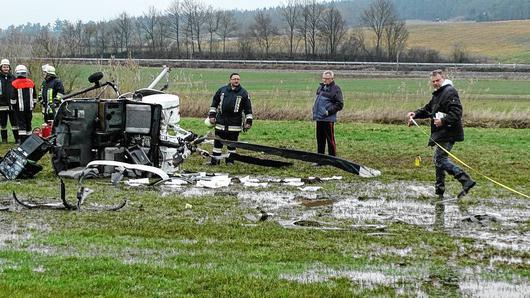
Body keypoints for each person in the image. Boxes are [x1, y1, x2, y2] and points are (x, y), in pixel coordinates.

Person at [407, 69, 476, 199]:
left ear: (443, 78)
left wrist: (443, 121)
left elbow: (457, 112)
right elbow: (428, 109)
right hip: (441, 133)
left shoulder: (450, 92)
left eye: (437, 80)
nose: (435, 83)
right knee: (438, 161)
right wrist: (415, 114)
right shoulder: (438, 94)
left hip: (449, 132)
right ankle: (440, 190)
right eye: (433, 81)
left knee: (439, 159)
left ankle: (466, 180)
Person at [208, 73, 253, 165]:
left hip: (234, 124)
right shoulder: (222, 90)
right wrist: (212, 116)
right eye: (234, 79)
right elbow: (214, 104)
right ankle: (215, 161)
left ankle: (230, 161)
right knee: (217, 144)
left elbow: (248, 109)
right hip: (220, 122)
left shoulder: (243, 93)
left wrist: (248, 122)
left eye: (238, 79)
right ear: (230, 80)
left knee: (232, 145)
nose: (236, 81)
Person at [312, 70, 343, 156]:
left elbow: (339, 104)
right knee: (320, 140)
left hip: (328, 118)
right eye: (324, 78)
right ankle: (320, 159)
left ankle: (332, 158)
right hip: (319, 118)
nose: (325, 80)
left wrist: (328, 112)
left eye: (327, 78)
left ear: (332, 79)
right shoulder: (320, 88)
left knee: (330, 139)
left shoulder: (336, 89)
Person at [11, 65, 36, 143]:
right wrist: (33, 105)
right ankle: (29, 142)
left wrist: (13, 107)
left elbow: (13, 98)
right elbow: (34, 96)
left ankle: (22, 142)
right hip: (29, 108)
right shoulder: (31, 82)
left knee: (21, 125)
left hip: (19, 109)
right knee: (29, 124)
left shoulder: (14, 83)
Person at [0, 58, 19, 144]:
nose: (6, 68)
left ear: (9, 68)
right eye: (4, 67)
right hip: (1, 105)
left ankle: (17, 139)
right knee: (3, 124)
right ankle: (4, 140)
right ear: (1, 67)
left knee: (15, 123)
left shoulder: (13, 78)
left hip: (12, 105)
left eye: (7, 67)